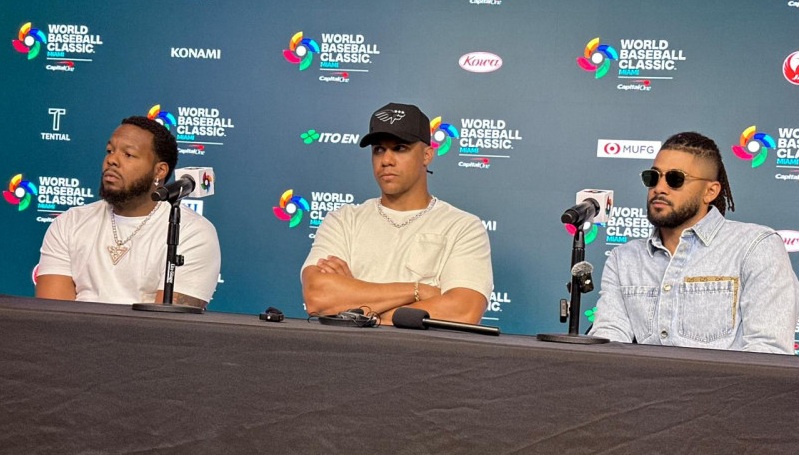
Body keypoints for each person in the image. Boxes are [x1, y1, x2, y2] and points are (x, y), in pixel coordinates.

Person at [589, 132, 799, 354]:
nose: (659, 188)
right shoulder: (623, 258)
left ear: (710, 191)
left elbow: (768, 351)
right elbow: (608, 344)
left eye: (675, 179)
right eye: (653, 177)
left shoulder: (756, 247)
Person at [301, 102, 493, 325]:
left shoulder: (462, 227)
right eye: (378, 150)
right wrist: (418, 290)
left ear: (427, 155)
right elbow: (318, 296)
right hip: (346, 348)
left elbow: (463, 311)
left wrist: (355, 305)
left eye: (400, 148)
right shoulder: (343, 220)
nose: (386, 160)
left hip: (419, 349)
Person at [35, 116, 221, 308]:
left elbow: (167, 324)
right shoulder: (69, 223)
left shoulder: (192, 233)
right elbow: (55, 314)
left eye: (128, 154)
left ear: (159, 171)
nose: (111, 160)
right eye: (110, 151)